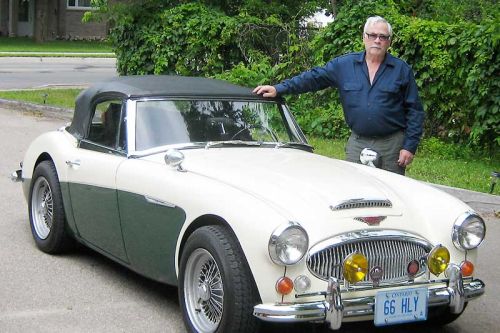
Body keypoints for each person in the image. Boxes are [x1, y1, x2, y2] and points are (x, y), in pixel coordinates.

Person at [253, 16, 424, 175]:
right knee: (354, 189)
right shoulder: (344, 65)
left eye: (383, 36)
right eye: (372, 35)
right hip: (358, 142)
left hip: (391, 145)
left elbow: (415, 110)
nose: (377, 40)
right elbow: (314, 78)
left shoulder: (402, 70)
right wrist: (280, 89)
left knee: (392, 192)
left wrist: (409, 146)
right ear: (364, 37)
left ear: (389, 42)